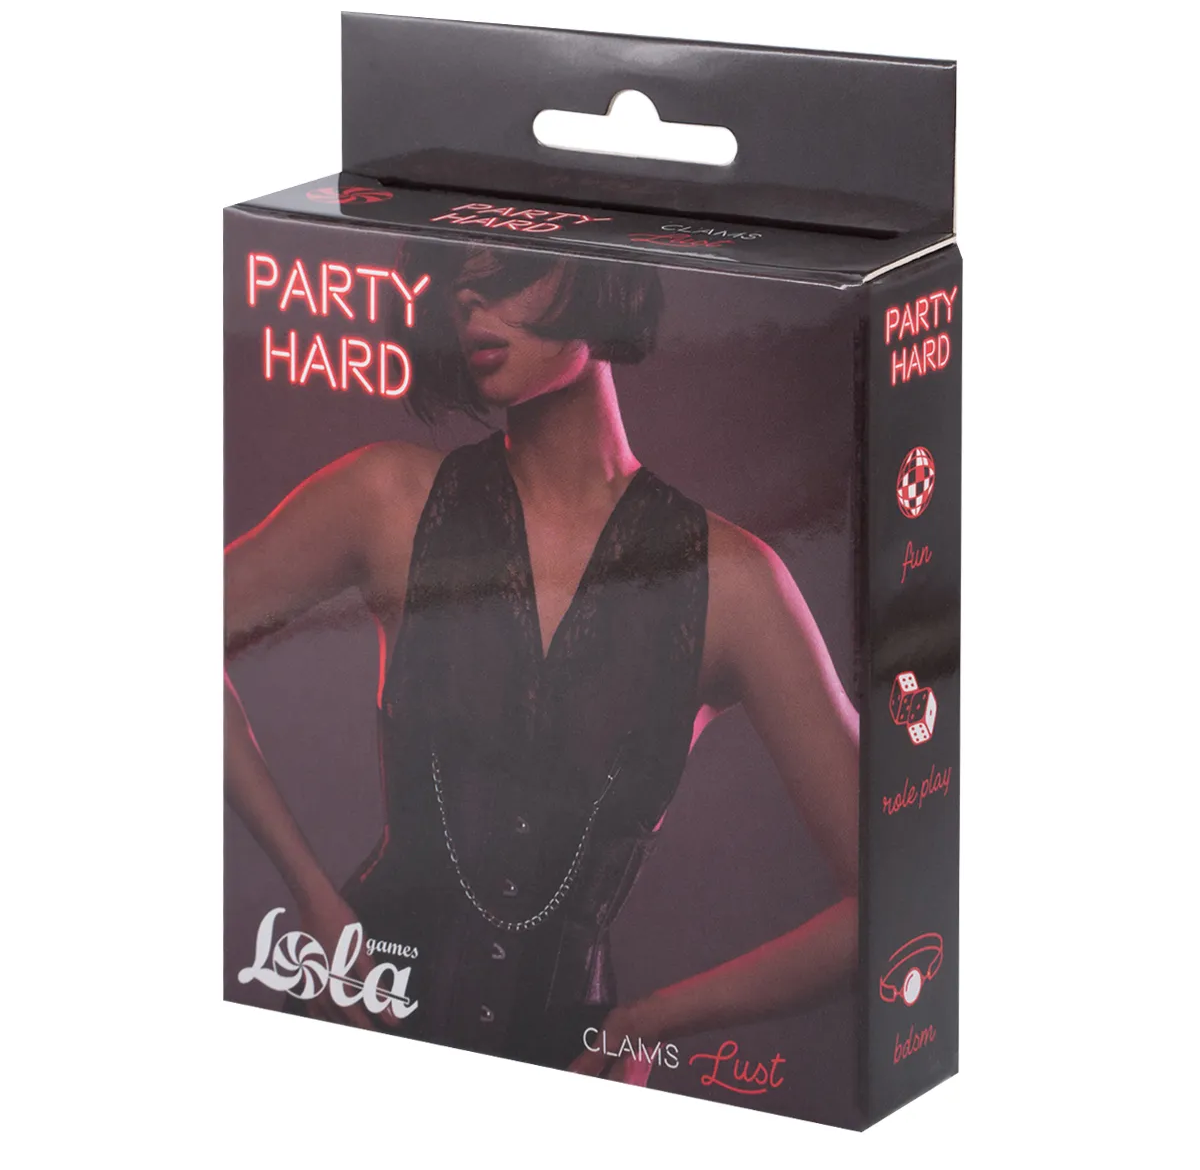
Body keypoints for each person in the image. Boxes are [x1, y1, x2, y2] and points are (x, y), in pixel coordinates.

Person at [225, 244, 859, 1084]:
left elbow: (894, 893)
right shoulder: (387, 500)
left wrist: (653, 1021)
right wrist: (310, 892)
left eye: (506, 272)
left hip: (567, 1071)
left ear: (603, 277)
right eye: (454, 278)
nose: (467, 301)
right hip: (356, 1023)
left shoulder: (734, 584)